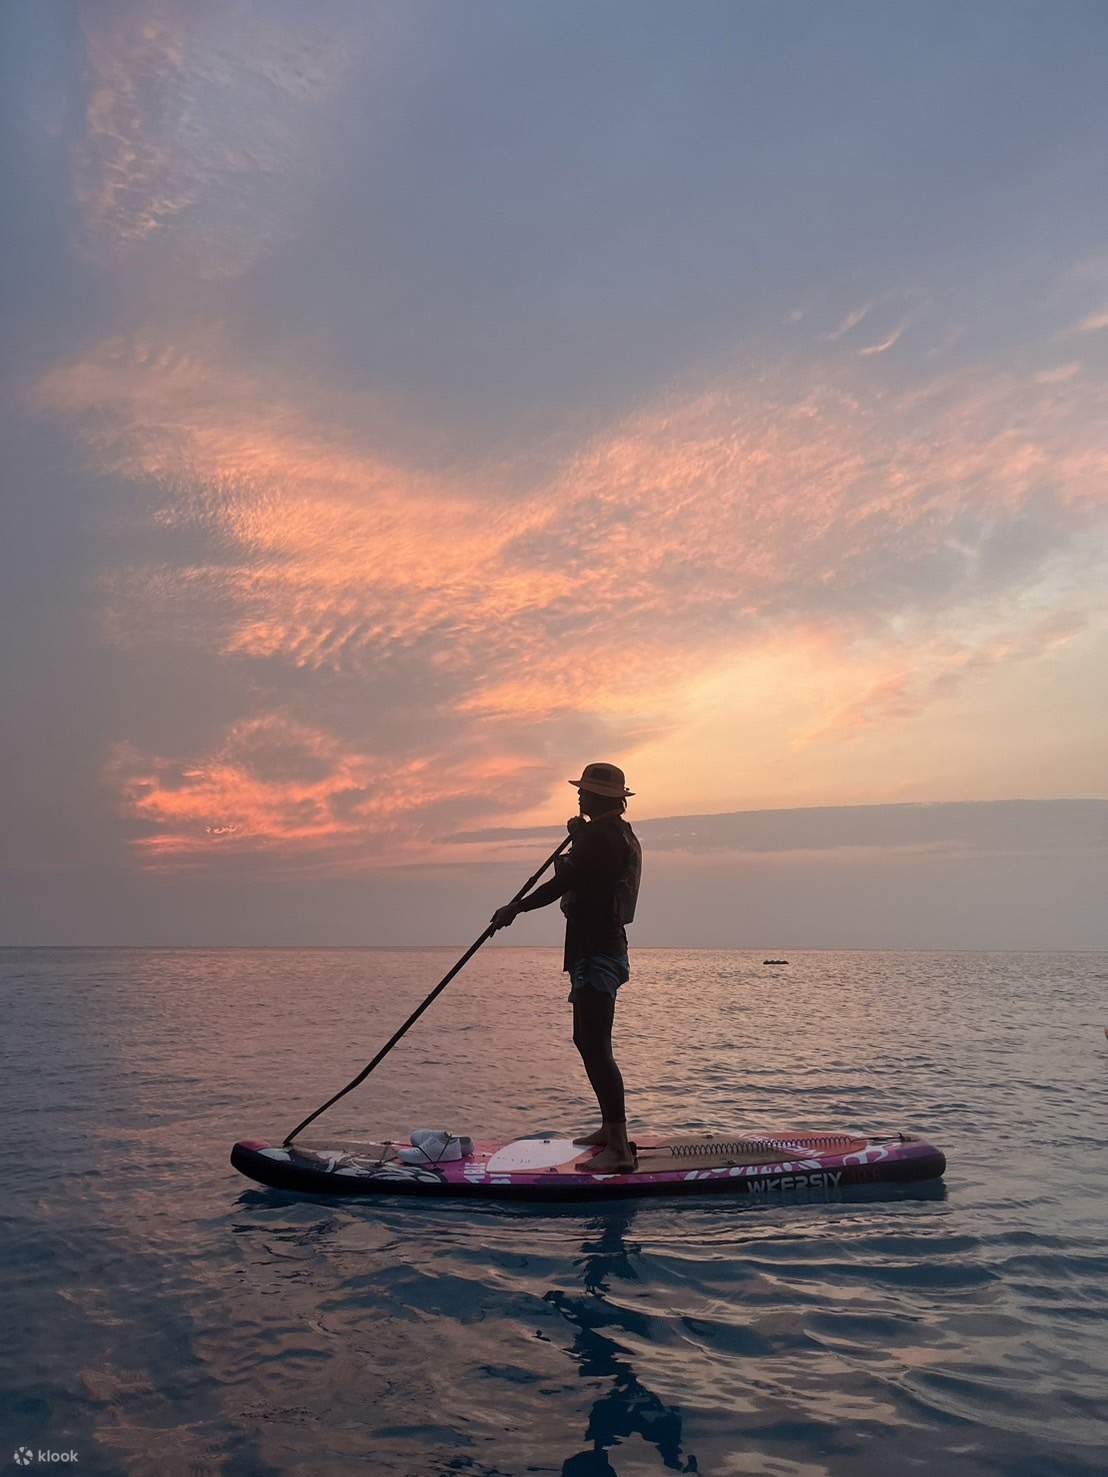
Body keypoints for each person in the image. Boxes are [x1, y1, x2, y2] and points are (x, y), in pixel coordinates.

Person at [491, 762, 643, 1173]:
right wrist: (579, 838)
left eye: (586, 791)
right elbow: (590, 874)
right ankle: (610, 1130)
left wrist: (515, 909)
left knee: (595, 1045)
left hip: (598, 952)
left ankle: (618, 1150)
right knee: (587, 1041)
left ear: (602, 797)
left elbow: (561, 884)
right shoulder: (613, 835)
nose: (579, 796)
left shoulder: (602, 838)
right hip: (596, 950)